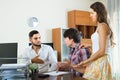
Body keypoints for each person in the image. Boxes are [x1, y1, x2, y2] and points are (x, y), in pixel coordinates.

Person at [75, 2, 114, 80]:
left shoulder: (102, 26)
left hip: (100, 61)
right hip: (97, 60)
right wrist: (89, 45)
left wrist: (86, 61)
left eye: (92, 13)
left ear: (98, 13)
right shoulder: (100, 26)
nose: (90, 16)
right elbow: (102, 46)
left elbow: (102, 51)